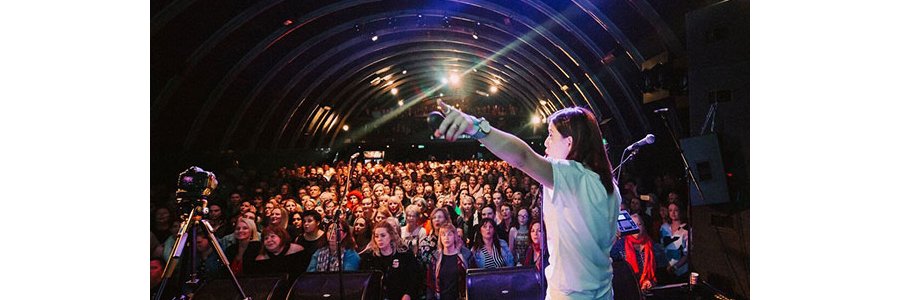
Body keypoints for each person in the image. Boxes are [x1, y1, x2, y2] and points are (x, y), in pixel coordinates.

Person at [436, 102, 620, 299]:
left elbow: (523, 157)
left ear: (569, 143)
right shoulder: (610, 186)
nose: (546, 143)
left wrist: (477, 127)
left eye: (551, 135)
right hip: (603, 292)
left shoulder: (574, 177)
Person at [359, 221, 422, 300]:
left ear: (391, 236)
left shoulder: (404, 255)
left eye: (383, 236)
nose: (379, 239)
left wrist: (408, 294)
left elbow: (414, 278)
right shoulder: (369, 257)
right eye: (376, 236)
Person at [426, 223, 475, 300]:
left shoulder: (466, 256)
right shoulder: (435, 258)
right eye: (443, 235)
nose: (446, 238)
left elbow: (473, 279)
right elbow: (430, 284)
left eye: (449, 234)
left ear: (455, 236)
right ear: (440, 238)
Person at [624, 214, 656, 292]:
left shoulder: (650, 244)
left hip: (647, 290)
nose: (637, 227)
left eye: (639, 224)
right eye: (633, 225)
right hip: (627, 289)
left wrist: (649, 281)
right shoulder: (620, 245)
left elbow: (654, 271)